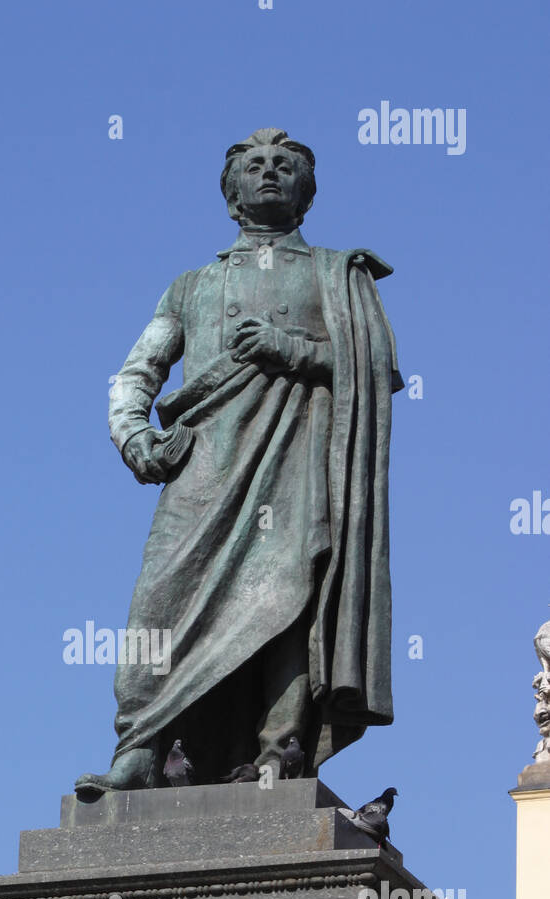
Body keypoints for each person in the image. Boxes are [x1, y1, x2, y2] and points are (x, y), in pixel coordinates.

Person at [76, 127, 402, 796]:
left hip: (296, 466)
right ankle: (141, 742)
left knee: (284, 596)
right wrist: (134, 435)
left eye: (286, 165)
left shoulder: (337, 276)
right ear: (230, 195)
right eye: (254, 166)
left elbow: (376, 370)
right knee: (158, 604)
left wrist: (293, 348)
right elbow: (138, 370)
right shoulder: (192, 286)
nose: (269, 173)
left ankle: (278, 750)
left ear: (308, 192)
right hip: (203, 469)